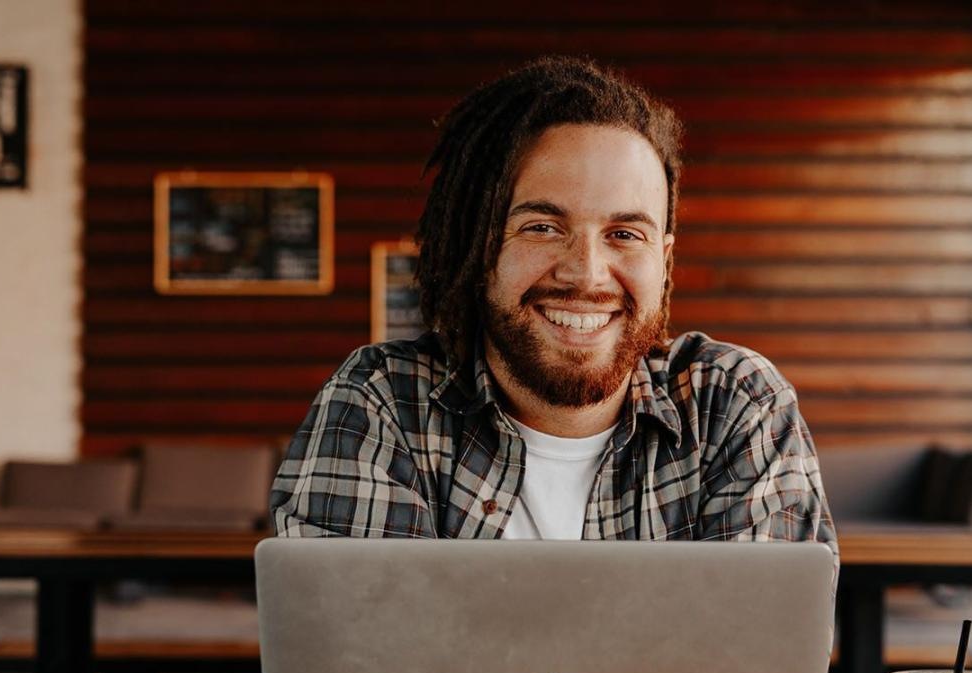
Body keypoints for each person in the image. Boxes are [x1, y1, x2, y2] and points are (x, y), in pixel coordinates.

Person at [268, 55, 835, 553]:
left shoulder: (734, 406)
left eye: (625, 234)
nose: (585, 273)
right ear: (477, 243)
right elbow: (360, 665)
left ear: (664, 260)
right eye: (541, 226)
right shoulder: (382, 405)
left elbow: (753, 669)